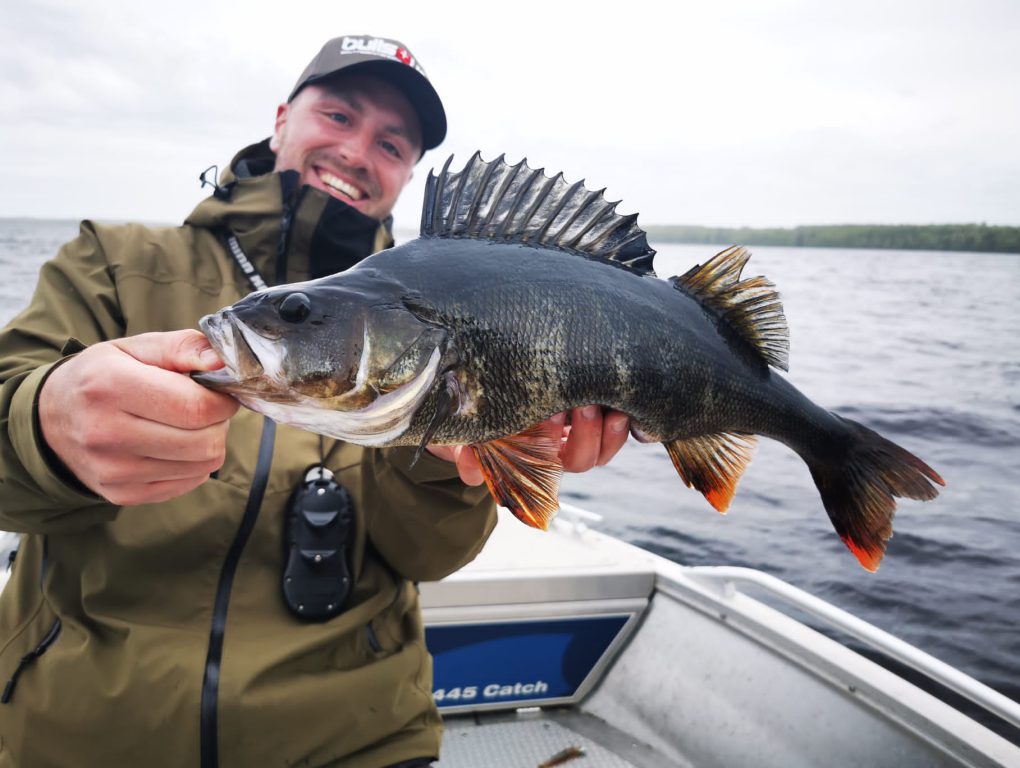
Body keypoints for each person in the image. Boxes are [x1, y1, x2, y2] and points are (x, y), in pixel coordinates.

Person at [0, 35, 629, 768]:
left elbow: (423, 555)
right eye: (338, 115)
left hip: (357, 736)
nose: (359, 151)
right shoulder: (112, 261)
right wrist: (45, 427)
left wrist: (445, 460)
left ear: (408, 173)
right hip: (79, 730)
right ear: (280, 121)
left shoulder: (449, 313)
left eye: (391, 143)